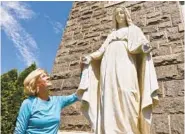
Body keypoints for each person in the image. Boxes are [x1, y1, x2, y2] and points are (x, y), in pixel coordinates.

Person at [78, 7, 159, 134]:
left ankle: (130, 130)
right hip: (108, 66)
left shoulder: (133, 30)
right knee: (109, 94)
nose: (119, 15)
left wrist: (144, 47)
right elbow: (101, 51)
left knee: (128, 92)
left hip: (126, 62)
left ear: (126, 14)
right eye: (116, 14)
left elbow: (140, 45)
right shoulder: (112, 34)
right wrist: (89, 57)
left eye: (121, 12)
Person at [14, 68, 79, 134]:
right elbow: (19, 131)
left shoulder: (57, 101)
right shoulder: (28, 103)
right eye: (43, 76)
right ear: (36, 83)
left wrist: (84, 70)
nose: (48, 77)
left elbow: (78, 94)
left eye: (47, 75)